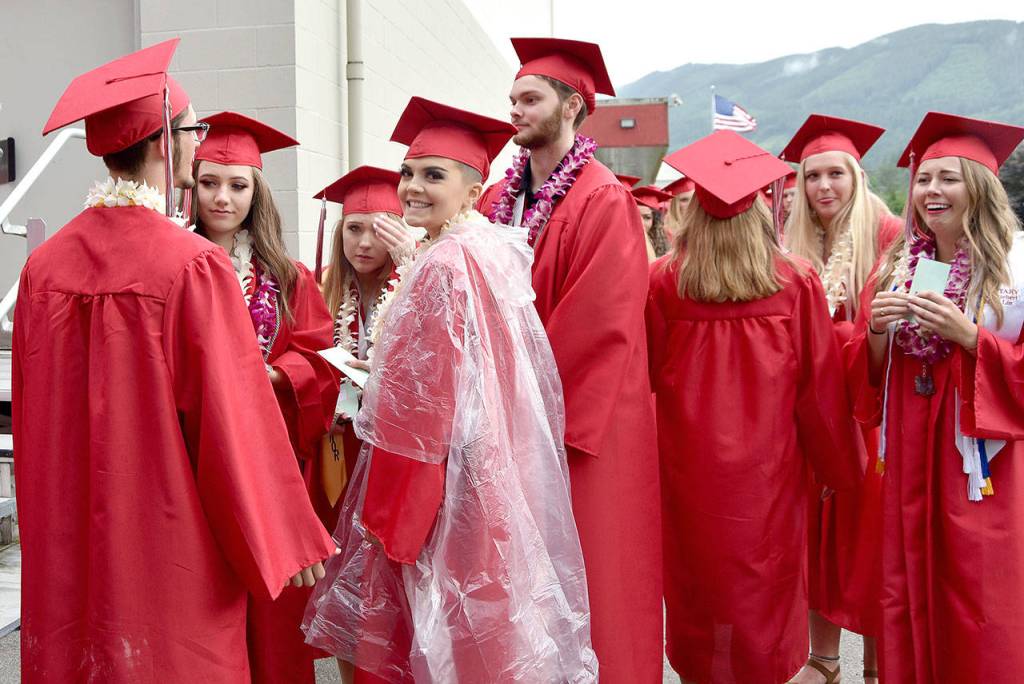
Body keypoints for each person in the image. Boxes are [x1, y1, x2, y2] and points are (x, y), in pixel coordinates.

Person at [13, 40, 336, 683]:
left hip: (68, 523)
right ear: (167, 142)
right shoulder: (192, 265)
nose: (199, 142)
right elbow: (227, 415)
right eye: (194, 132)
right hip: (167, 527)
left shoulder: (43, 268)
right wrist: (281, 527)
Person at [304, 97, 597, 683]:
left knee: (442, 634)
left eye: (433, 175)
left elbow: (422, 411)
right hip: (486, 465)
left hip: (441, 485)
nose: (411, 187)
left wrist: (395, 516)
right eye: (408, 173)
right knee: (484, 633)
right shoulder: (488, 248)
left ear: (473, 188)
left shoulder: (443, 264)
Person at [478, 38, 663, 682]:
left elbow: (599, 326)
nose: (515, 112)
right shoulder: (500, 198)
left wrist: (523, 408)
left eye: (530, 99)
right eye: (512, 100)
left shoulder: (602, 199)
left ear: (573, 105)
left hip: (577, 428)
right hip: (508, 418)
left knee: (592, 576)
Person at [647, 130, 861, 684]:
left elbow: (643, 377)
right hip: (769, 474)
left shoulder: (664, 281)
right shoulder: (794, 281)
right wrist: (839, 469)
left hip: (686, 472)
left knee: (699, 581)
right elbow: (819, 390)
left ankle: (703, 670)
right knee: (762, 580)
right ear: (760, 211)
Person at [851, 112, 1024, 684]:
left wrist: (972, 338)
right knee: (909, 580)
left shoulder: (1016, 268)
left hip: (982, 460)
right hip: (911, 451)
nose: (931, 190)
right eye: (924, 179)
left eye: (948, 178)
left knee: (977, 587)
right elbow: (870, 374)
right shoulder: (903, 266)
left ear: (979, 186)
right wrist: (875, 329)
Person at [189, 111, 340, 684]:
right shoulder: (176, 263)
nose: (222, 198)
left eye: (237, 185)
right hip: (198, 456)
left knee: (274, 620)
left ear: (258, 192)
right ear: (191, 185)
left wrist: (270, 377)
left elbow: (320, 359)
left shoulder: (290, 276)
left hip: (272, 458)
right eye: (209, 183)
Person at [781, 114, 902, 684]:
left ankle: (880, 666)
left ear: (855, 177)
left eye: (835, 174)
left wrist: (830, 339)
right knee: (816, 534)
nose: (823, 186)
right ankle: (823, 659)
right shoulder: (795, 242)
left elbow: (889, 331)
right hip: (813, 411)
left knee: (870, 537)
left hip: (870, 410)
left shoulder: (889, 234)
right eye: (811, 176)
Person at [633, 184, 674, 259]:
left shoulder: (665, 247)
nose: (641, 222)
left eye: (647, 217)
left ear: (654, 221)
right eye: (636, 216)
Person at [662, 175, 696, 243]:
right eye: (684, 200)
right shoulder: (667, 232)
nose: (690, 204)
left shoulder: (705, 226)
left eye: (693, 199)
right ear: (675, 205)